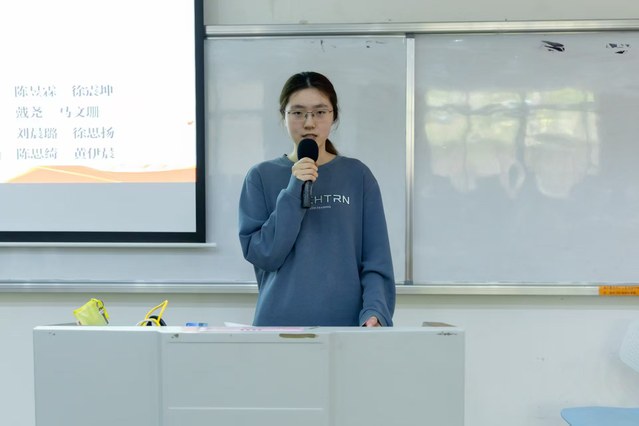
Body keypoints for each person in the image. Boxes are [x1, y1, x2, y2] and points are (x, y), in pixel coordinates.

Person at [238, 71, 395, 327]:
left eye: (320, 112)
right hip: (277, 325)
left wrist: (375, 311)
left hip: (347, 327)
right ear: (284, 116)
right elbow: (264, 255)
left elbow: (376, 260)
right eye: (298, 112)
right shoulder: (260, 176)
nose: (309, 123)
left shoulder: (357, 175)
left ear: (334, 116)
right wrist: (294, 189)